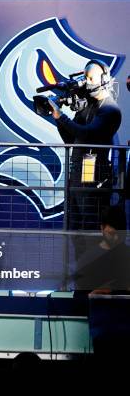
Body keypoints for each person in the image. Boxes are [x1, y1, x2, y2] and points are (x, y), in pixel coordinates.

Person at [48, 60, 122, 257]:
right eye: (85, 78)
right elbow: (71, 139)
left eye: (91, 79)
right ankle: (81, 275)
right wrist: (58, 119)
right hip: (76, 172)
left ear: (104, 80)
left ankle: (92, 276)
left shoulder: (110, 110)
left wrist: (60, 117)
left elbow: (87, 134)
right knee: (74, 228)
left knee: (89, 227)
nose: (87, 83)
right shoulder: (87, 107)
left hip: (93, 174)